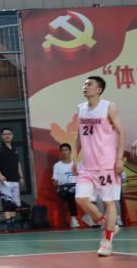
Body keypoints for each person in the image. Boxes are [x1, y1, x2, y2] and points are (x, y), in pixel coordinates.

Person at [74, 76, 125, 257]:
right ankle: (106, 224)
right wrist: (74, 159)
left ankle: (107, 241)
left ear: (99, 89)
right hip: (87, 166)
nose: (85, 87)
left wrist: (119, 159)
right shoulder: (81, 108)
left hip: (106, 165)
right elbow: (79, 136)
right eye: (84, 84)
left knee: (108, 202)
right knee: (80, 199)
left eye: (89, 84)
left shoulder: (108, 107)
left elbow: (121, 132)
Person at [0, 128, 24, 232]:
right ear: (1, 136)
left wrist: (21, 177)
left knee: (14, 203)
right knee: (7, 202)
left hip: (15, 179)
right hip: (4, 180)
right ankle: (8, 224)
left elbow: (17, 163)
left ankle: (12, 223)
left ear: (12, 135)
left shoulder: (14, 148)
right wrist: (0, 175)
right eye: (5, 134)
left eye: (9, 133)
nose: (7, 135)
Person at [51, 143, 79, 228]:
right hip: (63, 190)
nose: (64, 152)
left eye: (66, 150)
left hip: (76, 188)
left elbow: (81, 177)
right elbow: (54, 180)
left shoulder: (76, 164)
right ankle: (73, 219)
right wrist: (58, 183)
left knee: (87, 194)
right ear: (60, 152)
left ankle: (90, 216)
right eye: (62, 150)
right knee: (71, 196)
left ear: (70, 151)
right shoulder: (57, 165)